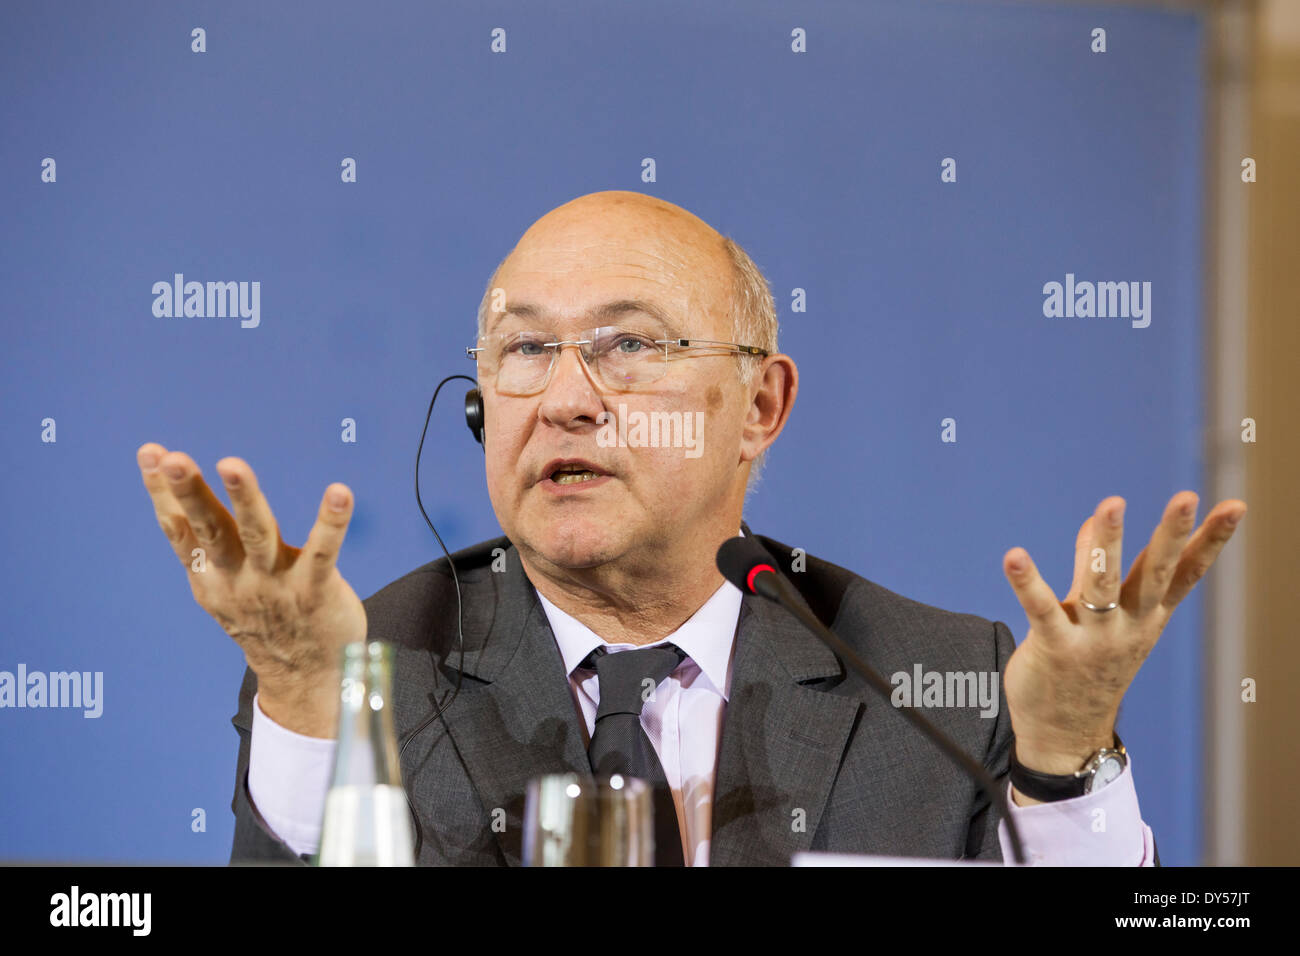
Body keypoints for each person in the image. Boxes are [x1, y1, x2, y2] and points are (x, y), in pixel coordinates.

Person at [137, 190, 1246, 866]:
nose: (565, 397)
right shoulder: (369, 666)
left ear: (757, 407)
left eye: (628, 345)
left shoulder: (933, 676)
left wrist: (1063, 759)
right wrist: (298, 694)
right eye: (523, 350)